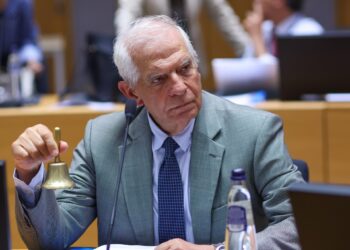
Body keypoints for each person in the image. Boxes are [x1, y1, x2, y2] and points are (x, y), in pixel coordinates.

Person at [13, 15, 304, 250]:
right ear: (131, 92)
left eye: (185, 68)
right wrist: (29, 174)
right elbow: (51, 239)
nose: (179, 87)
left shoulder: (255, 131)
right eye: (159, 79)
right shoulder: (100, 139)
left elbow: (299, 226)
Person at [115, 0, 251, 75]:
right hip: (157, 64)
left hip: (193, 60)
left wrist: (248, 51)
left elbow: (222, 16)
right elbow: (127, 13)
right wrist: (124, 50)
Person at [244, 0, 323, 59]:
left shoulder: (308, 31)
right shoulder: (264, 29)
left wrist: (257, 39)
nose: (257, 1)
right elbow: (245, 70)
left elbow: (285, 76)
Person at [0, 0, 47, 93]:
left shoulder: (22, 3)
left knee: (37, 66)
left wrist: (30, 58)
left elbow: (27, 39)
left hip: (14, 58)